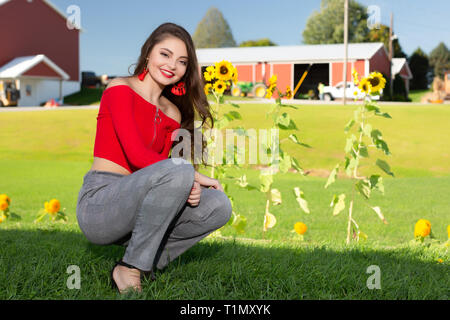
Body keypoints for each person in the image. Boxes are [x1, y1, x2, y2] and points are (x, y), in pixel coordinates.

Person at [76, 23, 232, 294]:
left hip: (137, 207)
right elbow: (136, 154)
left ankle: (136, 264)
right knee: (181, 170)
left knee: (219, 205)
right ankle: (133, 268)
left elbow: (159, 174)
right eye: (165, 54)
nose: (173, 65)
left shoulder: (172, 113)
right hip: (100, 206)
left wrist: (186, 186)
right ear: (148, 53)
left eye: (182, 61)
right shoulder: (119, 88)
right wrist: (192, 176)